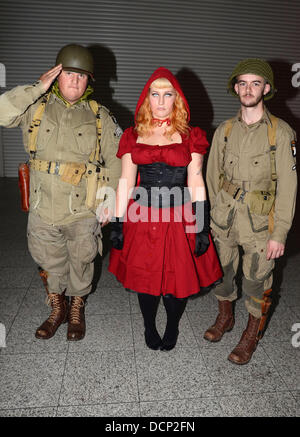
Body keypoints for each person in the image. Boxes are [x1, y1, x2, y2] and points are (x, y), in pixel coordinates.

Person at [0, 44, 122, 341]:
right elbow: (3, 113)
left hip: (82, 207)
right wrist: (36, 87)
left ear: (89, 81)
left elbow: (117, 157)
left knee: (82, 258)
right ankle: (58, 306)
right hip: (43, 205)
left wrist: (110, 200)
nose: (75, 81)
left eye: (82, 76)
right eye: (69, 74)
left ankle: (76, 305)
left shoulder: (99, 116)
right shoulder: (35, 106)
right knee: (48, 258)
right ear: (56, 75)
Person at [108, 67, 222, 351]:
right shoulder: (133, 135)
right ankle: (149, 325)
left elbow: (196, 179)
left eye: (167, 94)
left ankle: (172, 326)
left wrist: (201, 225)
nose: (160, 101)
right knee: (145, 280)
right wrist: (118, 222)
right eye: (154, 94)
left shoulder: (191, 135)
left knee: (176, 281)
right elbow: (125, 180)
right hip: (142, 216)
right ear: (146, 98)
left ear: (177, 98)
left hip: (179, 216)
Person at [204, 58, 297, 364]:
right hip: (225, 219)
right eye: (242, 83)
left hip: (261, 223)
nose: (248, 89)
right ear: (235, 88)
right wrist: (214, 216)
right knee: (223, 274)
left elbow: (289, 186)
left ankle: (250, 334)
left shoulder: (281, 133)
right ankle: (225, 317)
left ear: (266, 89)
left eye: (255, 83)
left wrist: (279, 233)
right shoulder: (226, 130)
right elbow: (211, 176)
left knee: (258, 282)